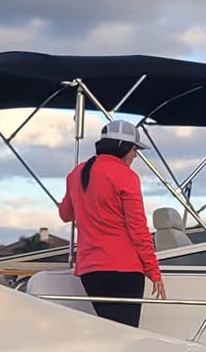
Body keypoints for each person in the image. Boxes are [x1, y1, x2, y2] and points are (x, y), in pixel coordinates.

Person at [56, 118, 165, 328]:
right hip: (124, 270)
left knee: (107, 332)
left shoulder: (77, 173)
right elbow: (138, 229)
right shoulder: (126, 176)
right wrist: (153, 271)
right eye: (135, 150)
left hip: (91, 271)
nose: (135, 155)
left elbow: (65, 214)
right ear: (123, 147)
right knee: (125, 334)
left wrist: (79, 196)